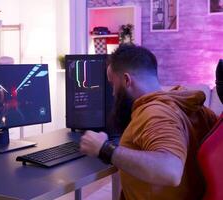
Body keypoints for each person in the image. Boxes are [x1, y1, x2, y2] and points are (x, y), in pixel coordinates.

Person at [80, 44, 218, 200]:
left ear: (126, 80)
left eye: (113, 84)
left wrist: (105, 149)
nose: (112, 93)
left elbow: (170, 170)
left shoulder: (154, 113)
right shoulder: (190, 107)